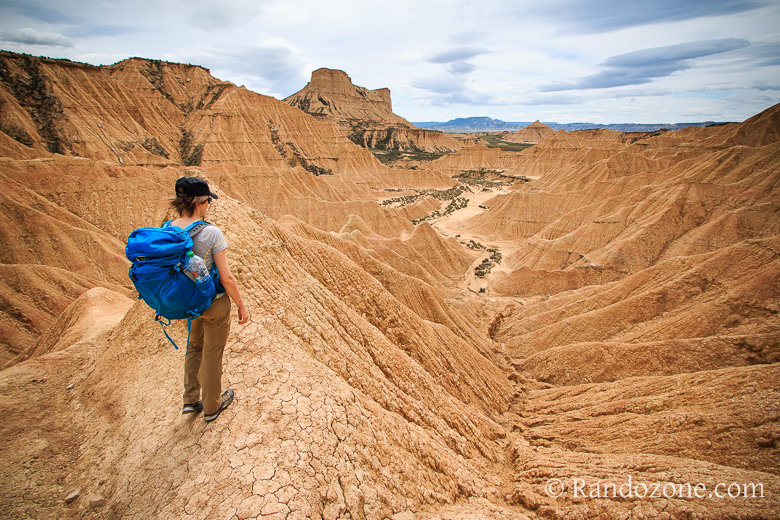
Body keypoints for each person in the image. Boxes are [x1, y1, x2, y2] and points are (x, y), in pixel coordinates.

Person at [168, 176, 249, 422]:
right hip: (213, 302)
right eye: (207, 202)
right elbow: (226, 277)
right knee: (212, 352)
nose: (208, 206)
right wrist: (241, 305)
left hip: (187, 303)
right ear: (201, 203)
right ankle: (212, 406)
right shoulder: (211, 233)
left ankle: (190, 401)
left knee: (194, 348)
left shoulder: (168, 229)